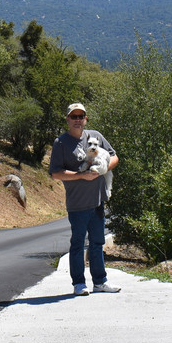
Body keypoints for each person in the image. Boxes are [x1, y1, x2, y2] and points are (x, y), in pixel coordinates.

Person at [49, 103, 121, 295]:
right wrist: (81, 176)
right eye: (74, 117)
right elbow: (55, 173)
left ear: (86, 119)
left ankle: (100, 282)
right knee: (78, 244)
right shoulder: (61, 143)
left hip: (97, 200)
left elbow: (114, 157)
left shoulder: (95, 136)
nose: (78, 120)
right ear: (67, 119)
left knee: (97, 243)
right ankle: (79, 284)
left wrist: (104, 168)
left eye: (81, 116)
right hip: (78, 203)